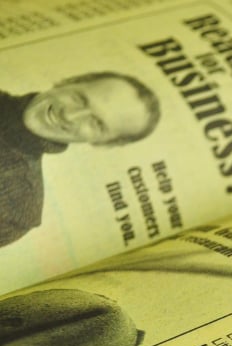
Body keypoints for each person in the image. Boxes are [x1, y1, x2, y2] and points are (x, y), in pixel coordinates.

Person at [0, 71, 162, 247]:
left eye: (96, 123)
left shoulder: (15, 208)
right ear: (66, 82)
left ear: (104, 143)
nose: (69, 116)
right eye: (78, 99)